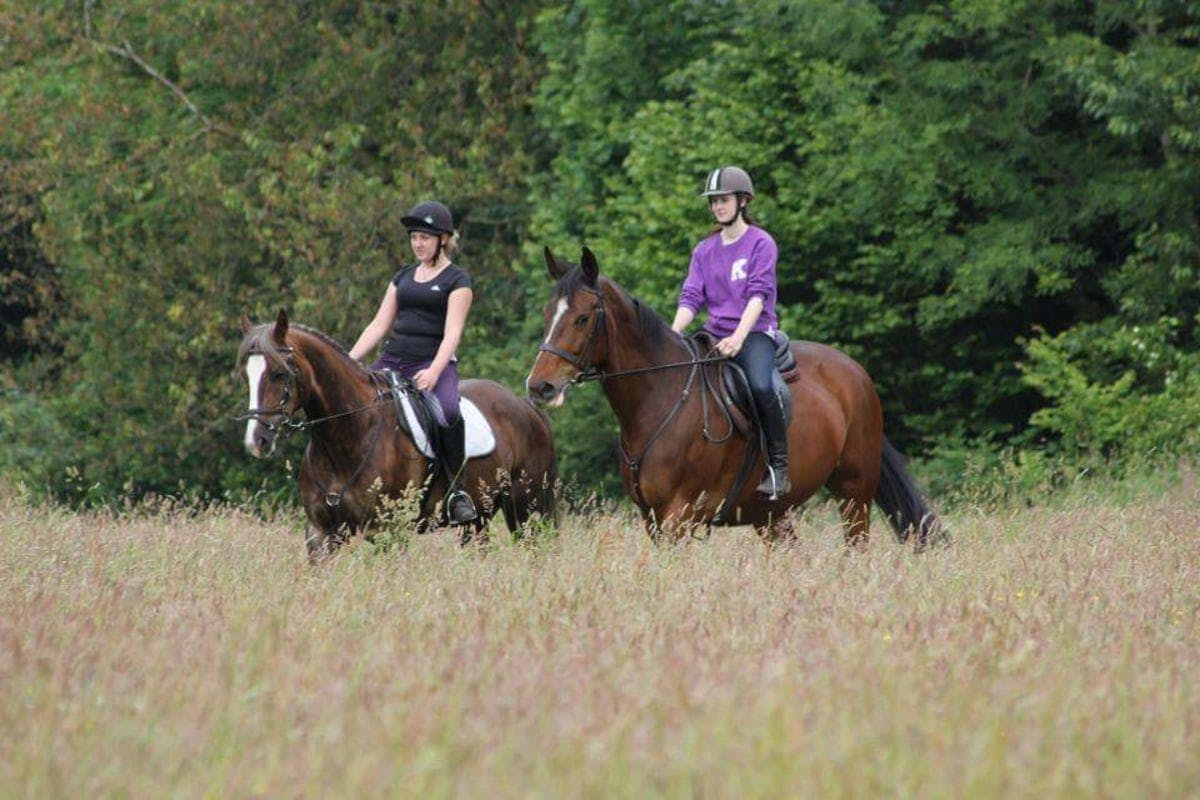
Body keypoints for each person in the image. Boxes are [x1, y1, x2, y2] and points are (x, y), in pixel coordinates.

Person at [349, 200, 477, 523]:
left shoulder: (458, 281)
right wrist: (349, 362)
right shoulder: (402, 277)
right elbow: (378, 325)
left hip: (432, 363)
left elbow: (452, 334)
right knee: (355, 403)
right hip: (392, 360)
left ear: (443, 239)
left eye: (425, 237)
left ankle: (456, 492)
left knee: (448, 411)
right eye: (414, 237)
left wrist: (434, 371)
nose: (417, 244)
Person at [670, 166, 790, 499]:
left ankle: (779, 468)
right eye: (713, 202)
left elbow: (758, 294)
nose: (717, 207)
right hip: (712, 334)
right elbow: (691, 297)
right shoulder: (704, 250)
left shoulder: (760, 243)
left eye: (723, 200)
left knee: (762, 386)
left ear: (742, 200)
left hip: (754, 333)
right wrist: (673, 333)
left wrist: (739, 337)